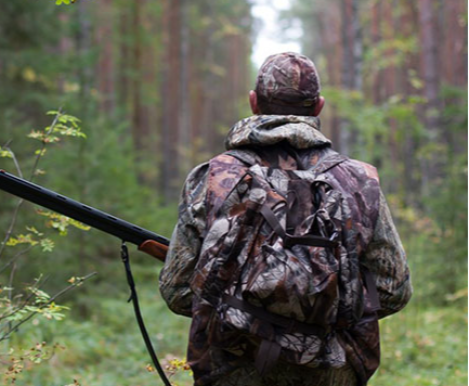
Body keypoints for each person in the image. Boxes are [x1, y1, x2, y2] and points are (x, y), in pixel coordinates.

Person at [159, 52, 412, 386]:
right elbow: (393, 289)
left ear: (253, 102)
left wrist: (244, 315)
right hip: (332, 369)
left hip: (232, 368)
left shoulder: (213, 177)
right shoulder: (358, 180)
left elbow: (178, 290)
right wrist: (324, 314)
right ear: (319, 106)